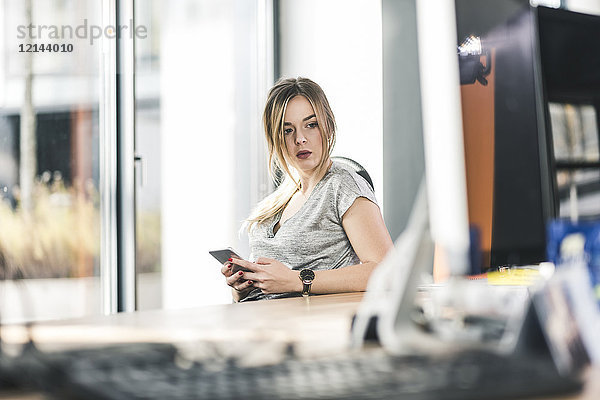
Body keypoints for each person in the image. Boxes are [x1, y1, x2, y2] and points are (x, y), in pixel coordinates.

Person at [221, 77, 394, 302]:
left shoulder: (342, 185)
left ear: (327, 126)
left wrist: (298, 280)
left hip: (306, 328)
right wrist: (242, 288)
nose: (300, 139)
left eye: (310, 125)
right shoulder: (279, 199)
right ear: (275, 138)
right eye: (287, 130)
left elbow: (387, 272)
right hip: (260, 324)